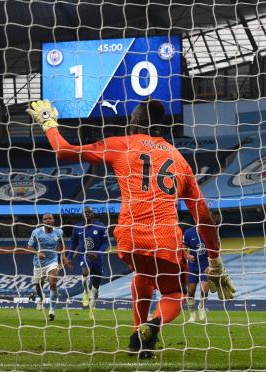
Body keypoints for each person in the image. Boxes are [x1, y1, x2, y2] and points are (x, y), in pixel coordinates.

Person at [28, 99, 235, 358]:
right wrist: (215, 260)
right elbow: (203, 216)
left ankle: (138, 338)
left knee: (143, 275)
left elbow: (64, 150)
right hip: (165, 238)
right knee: (172, 293)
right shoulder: (180, 161)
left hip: (130, 236)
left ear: (135, 124)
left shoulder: (122, 144)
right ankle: (153, 325)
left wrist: (48, 122)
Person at [24, 213, 69, 321]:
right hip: (38, 264)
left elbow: (61, 245)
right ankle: (41, 298)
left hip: (52, 262)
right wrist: (37, 253)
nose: (48, 220)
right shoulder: (36, 232)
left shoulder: (59, 232)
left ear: (53, 220)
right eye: (46, 219)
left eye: (50, 218)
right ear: (43, 221)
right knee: (38, 287)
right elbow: (29, 246)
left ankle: (52, 310)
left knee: (53, 282)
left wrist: (63, 256)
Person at [68, 207, 109, 319]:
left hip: (97, 258)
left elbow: (106, 243)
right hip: (83, 255)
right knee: (85, 272)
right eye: (85, 212)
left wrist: (98, 253)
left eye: (89, 212)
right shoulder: (77, 227)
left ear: (93, 214)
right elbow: (73, 242)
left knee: (96, 285)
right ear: (82, 215)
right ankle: (86, 292)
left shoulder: (100, 226)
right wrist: (70, 257)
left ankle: (94, 300)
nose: (87, 214)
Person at [183, 225, 210, 322]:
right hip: (192, 266)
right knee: (190, 291)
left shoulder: (210, 232)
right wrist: (188, 256)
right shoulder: (188, 233)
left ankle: (201, 306)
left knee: (205, 288)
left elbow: (217, 250)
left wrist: (211, 265)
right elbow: (183, 248)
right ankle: (192, 314)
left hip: (206, 266)